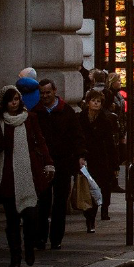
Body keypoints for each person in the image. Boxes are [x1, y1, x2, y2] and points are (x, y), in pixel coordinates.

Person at [0, 87, 52, 267]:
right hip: (7, 174)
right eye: (10, 100)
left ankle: (29, 247)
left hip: (27, 173)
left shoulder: (30, 118)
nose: (14, 103)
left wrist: (48, 162)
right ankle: (15, 256)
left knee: (31, 216)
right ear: (4, 103)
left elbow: (40, 141)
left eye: (16, 99)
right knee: (12, 220)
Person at [32, 79, 85, 250]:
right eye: (42, 93)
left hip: (63, 162)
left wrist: (80, 156)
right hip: (43, 164)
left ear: (54, 91)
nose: (45, 96)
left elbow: (77, 136)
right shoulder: (36, 113)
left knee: (60, 202)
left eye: (48, 92)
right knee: (43, 202)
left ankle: (56, 238)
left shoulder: (66, 111)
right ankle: (40, 238)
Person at [79, 90, 118, 231]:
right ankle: (88, 217)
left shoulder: (105, 120)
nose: (96, 103)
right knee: (86, 190)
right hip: (85, 159)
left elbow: (110, 144)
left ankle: (92, 218)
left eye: (99, 101)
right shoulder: (80, 118)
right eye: (93, 100)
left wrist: (114, 165)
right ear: (88, 102)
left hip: (101, 160)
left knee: (97, 189)